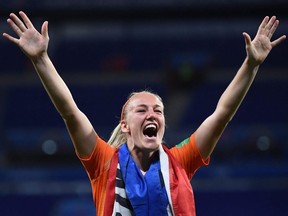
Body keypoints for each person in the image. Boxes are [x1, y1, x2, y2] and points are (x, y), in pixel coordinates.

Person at [3, 11, 286, 216]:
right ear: (125, 125)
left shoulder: (180, 162)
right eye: (142, 110)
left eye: (158, 110)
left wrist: (251, 66)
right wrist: (41, 59)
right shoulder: (103, 163)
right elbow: (70, 111)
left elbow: (222, 113)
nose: (152, 114)